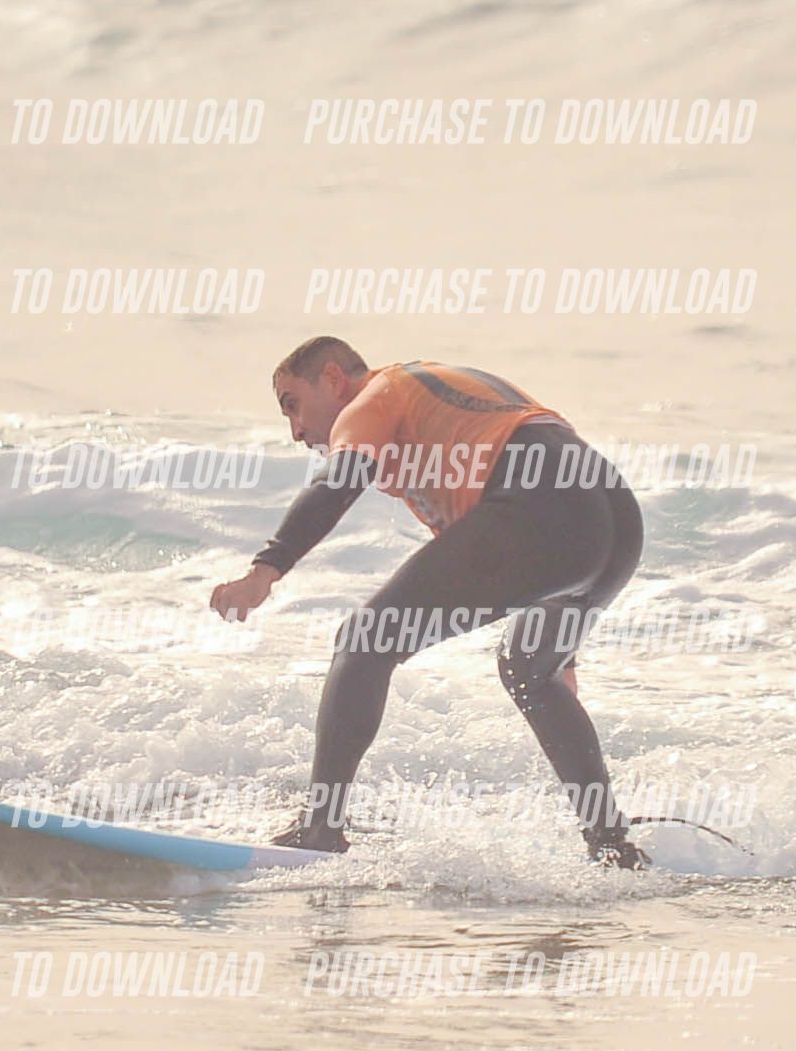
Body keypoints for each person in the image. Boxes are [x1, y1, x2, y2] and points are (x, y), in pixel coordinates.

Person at [208, 336, 648, 868]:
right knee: (532, 670)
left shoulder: (376, 396)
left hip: (543, 504)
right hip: (615, 518)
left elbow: (339, 482)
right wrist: (561, 658)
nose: (296, 431)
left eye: (293, 405)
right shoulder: (436, 414)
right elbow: (533, 515)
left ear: (333, 379)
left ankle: (319, 829)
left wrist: (265, 571)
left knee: (366, 640)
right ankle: (611, 845)